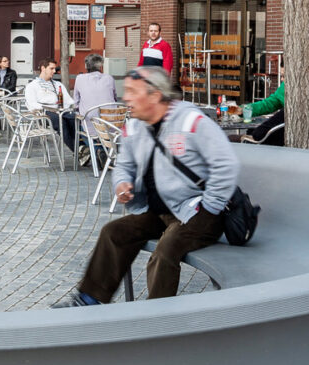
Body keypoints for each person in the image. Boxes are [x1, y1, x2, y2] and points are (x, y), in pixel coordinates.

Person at [53, 65, 238, 306]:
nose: (125, 97)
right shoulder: (134, 126)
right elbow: (124, 166)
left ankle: (155, 319)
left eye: (132, 91)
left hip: (197, 211)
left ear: (155, 95)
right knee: (114, 232)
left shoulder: (191, 121)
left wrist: (210, 207)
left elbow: (226, 165)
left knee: (165, 251)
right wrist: (122, 183)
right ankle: (89, 299)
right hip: (159, 211)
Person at [23, 60, 77, 149]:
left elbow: (68, 101)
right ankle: (77, 151)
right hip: (43, 115)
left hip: (60, 111)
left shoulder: (58, 84)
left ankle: (82, 148)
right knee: (61, 122)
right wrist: (48, 107)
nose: (54, 71)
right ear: (43, 68)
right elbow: (31, 103)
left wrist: (63, 108)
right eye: (51, 68)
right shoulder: (32, 86)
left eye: (55, 69)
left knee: (74, 119)